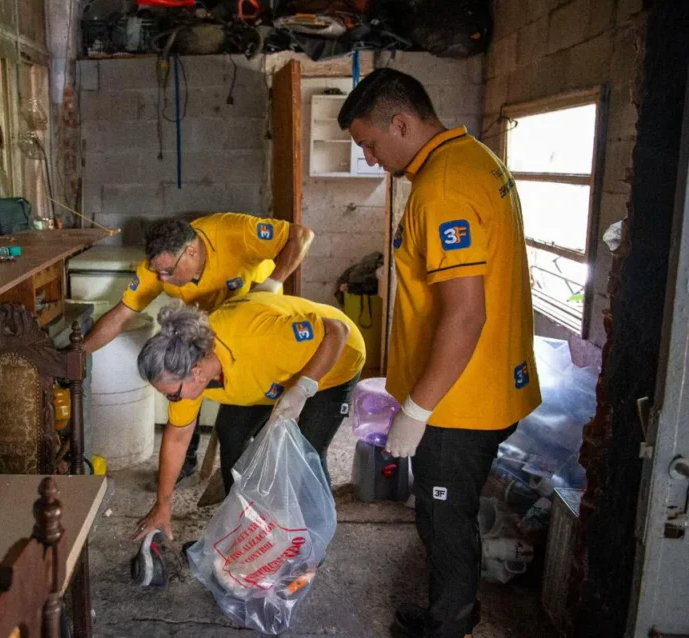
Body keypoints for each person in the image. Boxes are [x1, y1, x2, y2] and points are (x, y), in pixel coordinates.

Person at [338, 68, 541, 638]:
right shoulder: (474, 158)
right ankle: (452, 612)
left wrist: (418, 410)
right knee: (449, 511)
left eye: (370, 144)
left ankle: (450, 625)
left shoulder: (443, 189)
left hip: (459, 401)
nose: (371, 159)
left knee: (442, 517)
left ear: (401, 123)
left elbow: (465, 314)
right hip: (487, 382)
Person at [83, 213, 315, 482]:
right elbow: (121, 315)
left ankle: (257, 475)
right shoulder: (157, 269)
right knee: (180, 389)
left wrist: (273, 282)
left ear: (191, 251)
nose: (163, 280)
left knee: (237, 428)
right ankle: (185, 462)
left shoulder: (233, 232)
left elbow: (301, 235)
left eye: (169, 272)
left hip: (250, 337)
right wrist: (78, 354)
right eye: (158, 273)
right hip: (202, 335)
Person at [130, 293, 366, 543]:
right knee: (231, 431)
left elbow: (337, 331)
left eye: (172, 395)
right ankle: (244, 520)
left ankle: (310, 543)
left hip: (336, 358)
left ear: (196, 373)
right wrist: (163, 504)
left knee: (307, 451)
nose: (172, 400)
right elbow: (177, 437)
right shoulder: (190, 366)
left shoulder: (259, 338)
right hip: (272, 372)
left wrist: (303, 387)